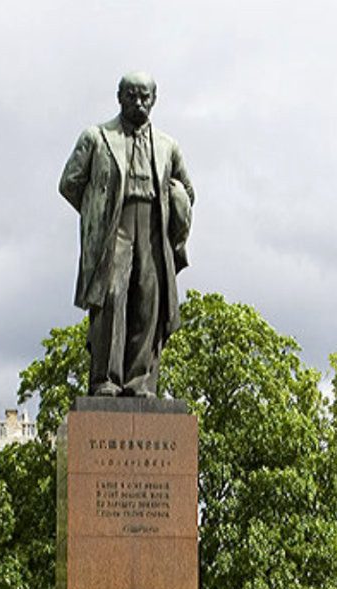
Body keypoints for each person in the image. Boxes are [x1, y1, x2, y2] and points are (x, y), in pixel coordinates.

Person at [59, 71, 194, 397]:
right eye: (131, 95)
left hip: (152, 226)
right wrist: (97, 212)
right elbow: (70, 184)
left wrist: (177, 203)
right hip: (114, 226)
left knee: (148, 301)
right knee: (112, 297)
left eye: (144, 96)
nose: (138, 102)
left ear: (154, 99)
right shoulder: (96, 137)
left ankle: (140, 382)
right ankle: (106, 379)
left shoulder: (168, 145)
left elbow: (187, 189)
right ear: (119, 97)